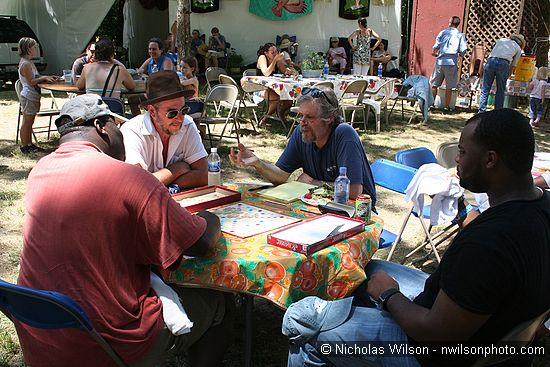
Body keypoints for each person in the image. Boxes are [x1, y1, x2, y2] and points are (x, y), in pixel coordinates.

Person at [283, 108, 550, 367]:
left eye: (463, 151)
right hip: (480, 325)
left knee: (304, 326)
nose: (457, 159)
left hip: (430, 350)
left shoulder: (489, 241)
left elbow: (436, 335)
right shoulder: (542, 206)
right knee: (363, 268)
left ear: (490, 160)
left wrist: (389, 295)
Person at [16, 94, 235, 366]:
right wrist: (209, 217)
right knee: (218, 300)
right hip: (105, 343)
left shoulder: (39, 171)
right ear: (102, 127)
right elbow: (200, 243)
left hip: (41, 336)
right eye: (116, 126)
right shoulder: (126, 177)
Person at [229, 86, 377, 204]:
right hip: (321, 208)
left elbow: (354, 192)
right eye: (300, 116)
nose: (302, 122)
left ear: (329, 118)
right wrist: (258, 163)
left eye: (310, 117)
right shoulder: (301, 134)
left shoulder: (344, 135)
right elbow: (280, 176)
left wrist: (313, 183)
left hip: (358, 214)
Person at [120, 70, 207, 189]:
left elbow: (205, 175)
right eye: (172, 113)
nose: (180, 118)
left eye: (184, 110)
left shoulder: (187, 125)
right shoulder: (132, 131)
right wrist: (175, 170)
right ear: (152, 111)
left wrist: (169, 186)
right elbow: (137, 185)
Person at [16, 37, 57, 153]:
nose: (36, 49)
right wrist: (43, 78)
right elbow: (31, 82)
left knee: (30, 121)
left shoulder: (29, 62)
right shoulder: (26, 64)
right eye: (34, 47)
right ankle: (25, 146)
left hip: (32, 95)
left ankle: (30, 144)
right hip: (28, 95)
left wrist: (48, 77)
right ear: (28, 49)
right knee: (27, 122)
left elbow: (35, 77)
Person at [478, 34, 525, 113]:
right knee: (500, 90)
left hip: (491, 61)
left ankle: (481, 111)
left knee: (485, 88)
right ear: (520, 43)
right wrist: (508, 75)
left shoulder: (501, 40)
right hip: (503, 64)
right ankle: (497, 112)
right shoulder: (518, 48)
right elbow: (513, 65)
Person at [430, 16, 467, 111]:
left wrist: (435, 53)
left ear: (450, 23)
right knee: (449, 86)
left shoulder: (442, 33)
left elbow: (436, 46)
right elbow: (463, 50)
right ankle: (446, 107)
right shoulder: (460, 35)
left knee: (434, 84)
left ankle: (431, 104)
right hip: (451, 62)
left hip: (440, 61)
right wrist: (459, 54)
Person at [256, 42, 294, 127]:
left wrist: (289, 71)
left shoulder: (277, 60)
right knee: (277, 98)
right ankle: (264, 120)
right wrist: (274, 61)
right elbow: (266, 73)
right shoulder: (262, 58)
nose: (275, 54)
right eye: (272, 53)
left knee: (289, 100)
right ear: (266, 53)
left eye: (276, 52)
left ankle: (280, 114)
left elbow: (284, 71)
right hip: (260, 88)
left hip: (273, 88)